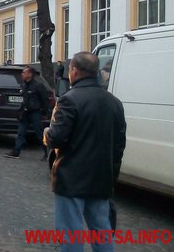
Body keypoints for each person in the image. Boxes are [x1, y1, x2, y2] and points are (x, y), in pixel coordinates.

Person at [43, 52, 126, 251]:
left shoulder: (68, 100)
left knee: (70, 233)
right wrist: (112, 174)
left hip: (71, 177)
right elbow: (119, 144)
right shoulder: (114, 102)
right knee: (102, 231)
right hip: (101, 177)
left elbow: (57, 138)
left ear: (74, 71)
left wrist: (47, 132)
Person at [6, 66, 49, 160]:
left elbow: (45, 100)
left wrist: (44, 113)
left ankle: (47, 153)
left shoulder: (38, 86)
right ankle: (16, 152)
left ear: (29, 74)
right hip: (25, 112)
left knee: (40, 134)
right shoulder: (24, 85)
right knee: (20, 133)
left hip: (35, 113)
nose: (22, 74)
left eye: (24, 72)